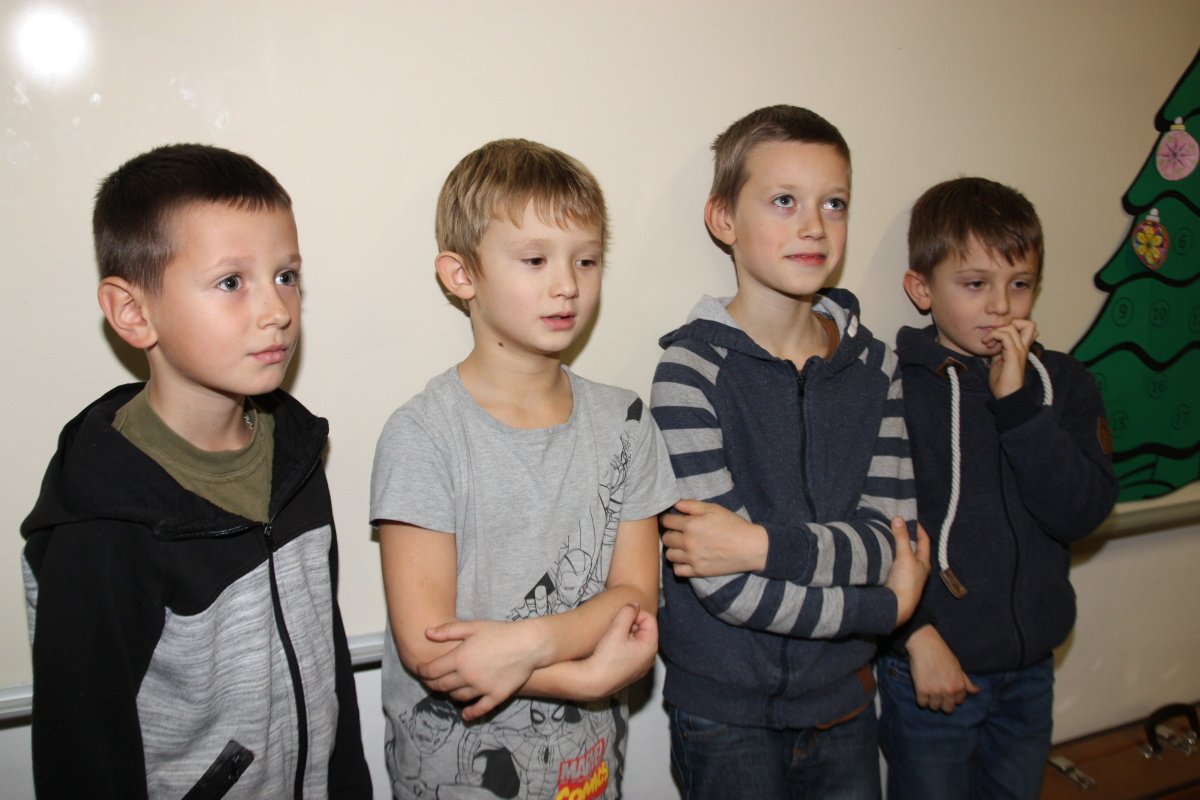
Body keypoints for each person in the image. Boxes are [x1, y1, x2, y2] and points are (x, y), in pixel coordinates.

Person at [20, 144, 372, 798]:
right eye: (232, 282)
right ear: (133, 312)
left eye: (286, 276)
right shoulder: (99, 524)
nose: (277, 311)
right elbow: (83, 756)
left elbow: (327, 663)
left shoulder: (295, 456)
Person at [371, 138, 678, 799]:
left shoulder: (626, 424)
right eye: (535, 259)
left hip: (584, 774)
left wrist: (529, 645)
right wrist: (581, 676)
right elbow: (430, 651)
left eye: (586, 260)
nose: (567, 284)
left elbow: (634, 598)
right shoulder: (423, 435)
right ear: (461, 275)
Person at [649, 104, 931, 799]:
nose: (814, 226)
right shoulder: (689, 372)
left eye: (834, 203)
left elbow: (891, 545)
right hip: (724, 714)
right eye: (784, 201)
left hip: (844, 702)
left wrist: (758, 546)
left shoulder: (876, 369)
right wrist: (884, 611)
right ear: (724, 220)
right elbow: (721, 584)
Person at [878, 177, 1118, 799]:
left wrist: (1018, 408)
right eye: (975, 284)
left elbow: (1082, 513)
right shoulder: (891, 390)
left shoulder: (1064, 383)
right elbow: (871, 525)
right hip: (931, 665)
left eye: (1020, 284)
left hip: (1031, 667)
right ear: (922, 290)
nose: (1001, 307)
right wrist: (913, 635)